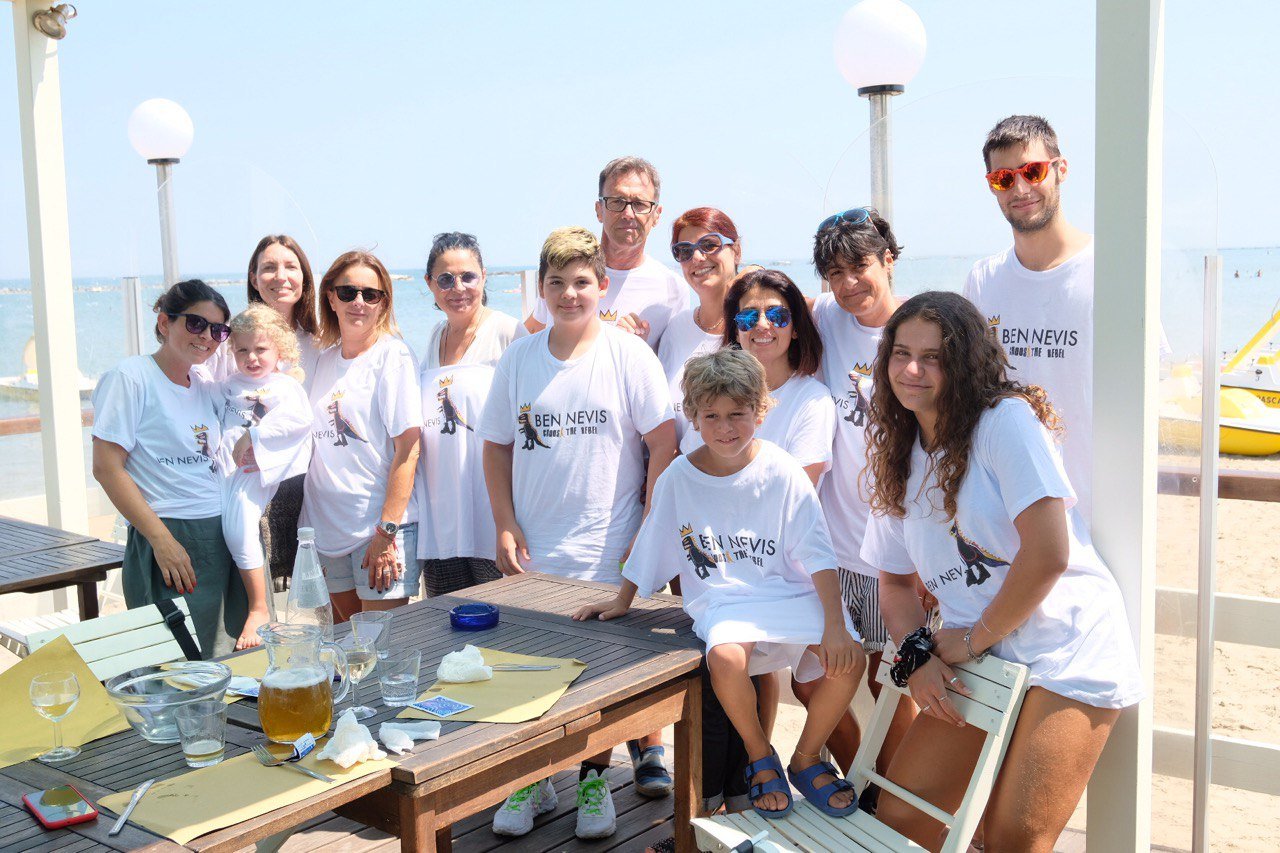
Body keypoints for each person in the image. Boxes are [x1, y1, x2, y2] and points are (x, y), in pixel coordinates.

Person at [861, 291, 1143, 851]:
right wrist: (916, 655)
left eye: (934, 357)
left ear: (965, 363)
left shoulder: (1003, 423)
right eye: (901, 352)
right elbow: (893, 583)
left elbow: (1048, 554)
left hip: (1064, 646)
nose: (912, 369)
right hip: (980, 655)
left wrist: (971, 639)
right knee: (902, 818)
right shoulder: (898, 448)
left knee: (1012, 835)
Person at [576, 348, 864, 820]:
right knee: (726, 657)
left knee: (847, 656)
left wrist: (834, 625)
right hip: (724, 599)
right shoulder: (678, 477)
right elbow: (650, 542)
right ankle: (759, 754)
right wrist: (619, 600)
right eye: (711, 415)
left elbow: (818, 554)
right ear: (692, 415)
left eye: (738, 414)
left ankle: (806, 756)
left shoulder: (783, 470)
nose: (725, 427)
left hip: (788, 593)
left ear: (760, 411)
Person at [480, 226, 678, 839]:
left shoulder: (628, 354)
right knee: (526, 670)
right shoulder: (519, 358)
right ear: (541, 289)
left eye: (583, 282)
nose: (570, 294)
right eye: (557, 283)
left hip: (606, 545)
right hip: (535, 549)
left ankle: (594, 780)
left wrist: (646, 529)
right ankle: (532, 781)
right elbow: (495, 446)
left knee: (599, 676)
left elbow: (662, 442)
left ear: (601, 286)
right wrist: (504, 522)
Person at [807, 207, 915, 784]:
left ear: (888, 261)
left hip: (906, 550)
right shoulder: (825, 317)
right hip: (841, 543)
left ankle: (910, 809)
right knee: (835, 676)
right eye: (835, 272)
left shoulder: (922, 329)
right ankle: (872, 793)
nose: (849, 283)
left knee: (899, 682)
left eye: (861, 266)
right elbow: (756, 304)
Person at [91, 280, 247, 658]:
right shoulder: (131, 377)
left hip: (218, 535)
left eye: (218, 330)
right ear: (164, 323)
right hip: (171, 535)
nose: (207, 337)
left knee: (228, 664)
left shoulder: (203, 386)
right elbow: (107, 468)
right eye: (195, 323)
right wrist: (162, 541)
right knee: (174, 671)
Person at [963, 115, 1096, 521]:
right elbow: (972, 393)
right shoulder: (983, 280)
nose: (1020, 188)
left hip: (1097, 503)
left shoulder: (1109, 270)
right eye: (1003, 179)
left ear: (1060, 170)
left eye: (1032, 171)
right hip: (1012, 505)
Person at [301, 250, 422, 619]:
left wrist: (386, 532)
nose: (359, 302)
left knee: (377, 648)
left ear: (383, 303)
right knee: (341, 652)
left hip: (377, 531)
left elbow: (409, 449)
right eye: (349, 291)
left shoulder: (393, 356)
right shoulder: (322, 360)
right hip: (324, 530)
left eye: (371, 294)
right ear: (331, 297)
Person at [415, 232, 520, 596]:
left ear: (484, 277)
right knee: (450, 630)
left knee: (505, 627)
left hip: (491, 518)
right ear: (430, 284)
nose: (457, 287)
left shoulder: (507, 332)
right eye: (445, 279)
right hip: (441, 519)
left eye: (467, 277)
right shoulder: (431, 337)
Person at [680, 269, 835, 488]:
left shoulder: (813, 401)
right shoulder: (711, 391)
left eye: (777, 316)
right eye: (748, 317)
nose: (762, 325)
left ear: (795, 329)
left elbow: (796, 493)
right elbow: (690, 470)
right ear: (736, 331)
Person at [216, 305, 313, 648]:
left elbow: (298, 421)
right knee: (222, 524)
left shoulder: (284, 387)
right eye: (242, 350)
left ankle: (259, 607)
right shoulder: (227, 385)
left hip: (254, 472)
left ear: (280, 350)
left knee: (239, 528)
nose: (252, 358)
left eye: (261, 349)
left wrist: (254, 437)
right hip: (223, 472)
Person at [523, 156, 688, 347]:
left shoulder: (673, 288)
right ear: (599, 209)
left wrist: (635, 350)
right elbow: (532, 331)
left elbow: (672, 366)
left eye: (640, 204)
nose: (628, 214)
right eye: (617, 202)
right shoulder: (564, 271)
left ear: (656, 215)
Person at [659, 207, 742, 444]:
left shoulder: (756, 327)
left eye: (709, 245)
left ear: (736, 250)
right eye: (684, 251)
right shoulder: (676, 329)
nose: (697, 258)